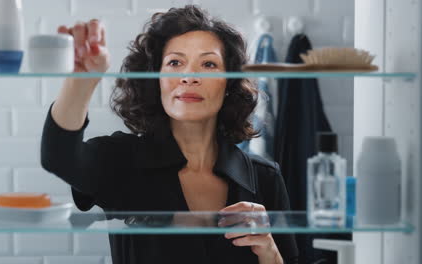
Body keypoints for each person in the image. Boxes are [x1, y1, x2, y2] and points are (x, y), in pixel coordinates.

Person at [41, 5, 298, 264]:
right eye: (175, 62)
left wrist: (269, 251)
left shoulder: (266, 178)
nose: (189, 77)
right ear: (156, 79)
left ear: (229, 84)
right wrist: (82, 81)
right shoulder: (121, 159)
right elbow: (59, 157)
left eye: (208, 64)